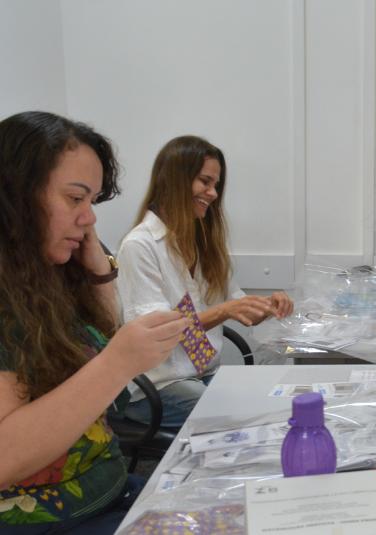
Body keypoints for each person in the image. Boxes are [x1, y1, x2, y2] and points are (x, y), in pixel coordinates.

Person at [0, 111, 189, 532]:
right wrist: (118, 363)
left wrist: (100, 273)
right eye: (75, 198)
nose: (89, 219)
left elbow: (97, 344)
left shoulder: (42, 276)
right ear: (16, 196)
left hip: (108, 493)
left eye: (92, 202)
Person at [118, 135, 294, 428]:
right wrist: (224, 311)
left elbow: (239, 307)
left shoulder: (201, 244)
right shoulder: (139, 246)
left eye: (216, 185)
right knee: (245, 419)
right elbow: (157, 334)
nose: (212, 193)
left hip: (203, 375)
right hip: (159, 388)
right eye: (205, 182)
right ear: (175, 180)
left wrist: (268, 306)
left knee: (268, 402)